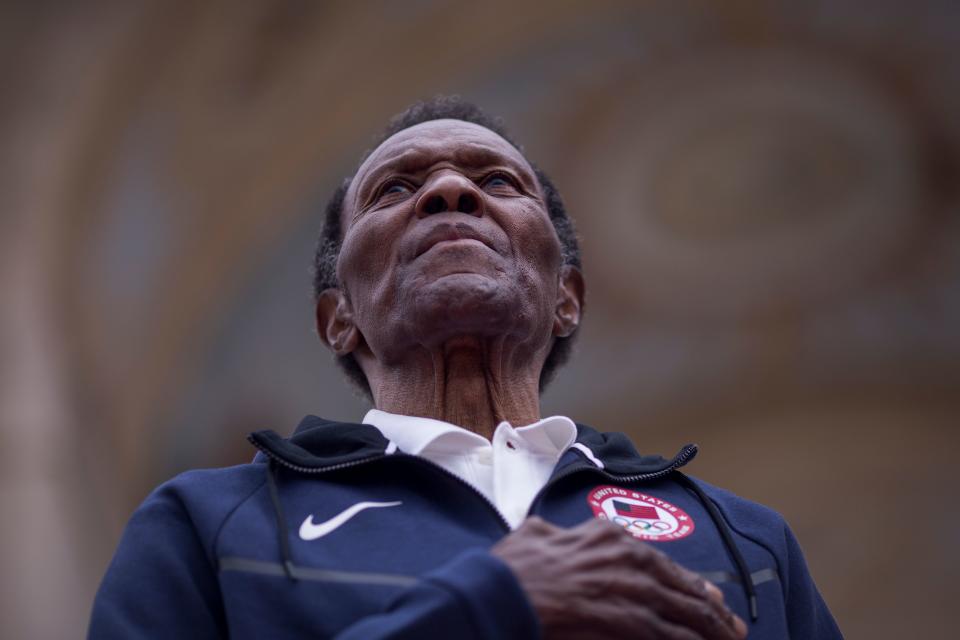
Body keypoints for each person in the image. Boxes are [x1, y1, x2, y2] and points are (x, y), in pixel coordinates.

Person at [89, 97, 842, 639]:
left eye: (500, 183)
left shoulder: (746, 542)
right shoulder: (209, 524)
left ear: (566, 300)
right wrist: (488, 608)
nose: (453, 192)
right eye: (396, 189)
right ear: (338, 317)